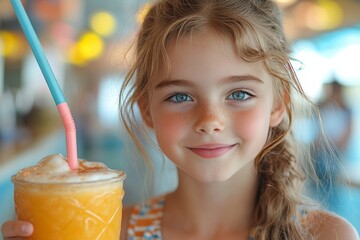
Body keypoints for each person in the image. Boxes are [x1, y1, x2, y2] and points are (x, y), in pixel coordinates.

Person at [2, 0, 359, 239]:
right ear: (146, 109)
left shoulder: (327, 236)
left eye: (239, 94)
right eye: (180, 96)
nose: (210, 120)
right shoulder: (110, 231)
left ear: (278, 103)